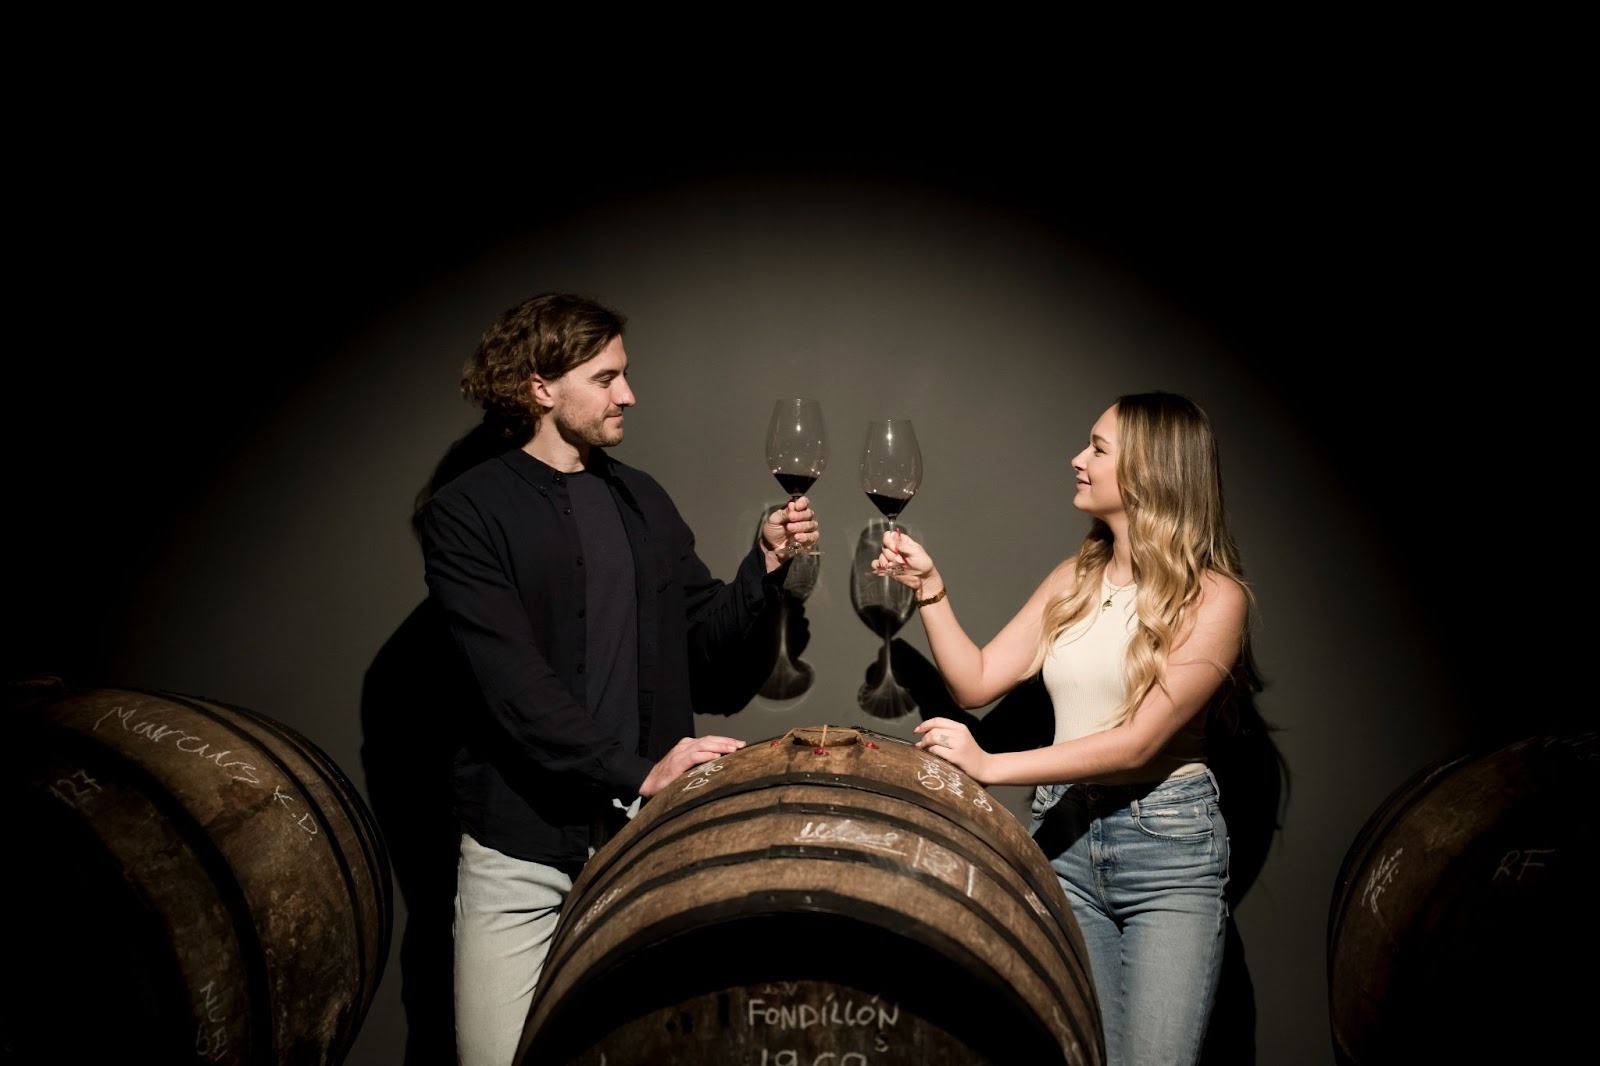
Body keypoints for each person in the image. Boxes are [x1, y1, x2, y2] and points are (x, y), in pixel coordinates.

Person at [418, 291, 819, 1066]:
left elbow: (706, 648)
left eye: (624, 375)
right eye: (605, 379)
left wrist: (763, 564)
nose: (628, 395)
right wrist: (639, 774)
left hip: (644, 847)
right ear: (540, 386)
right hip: (523, 849)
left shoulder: (642, 499)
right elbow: (514, 689)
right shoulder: (466, 514)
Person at [876, 391, 1261, 1066]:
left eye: (1098, 448)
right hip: (1066, 842)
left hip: (1166, 854)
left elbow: (1138, 742)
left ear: (1148, 472)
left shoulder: (1215, 598)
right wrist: (931, 591)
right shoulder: (1074, 579)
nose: (1077, 459)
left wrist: (991, 765)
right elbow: (978, 679)